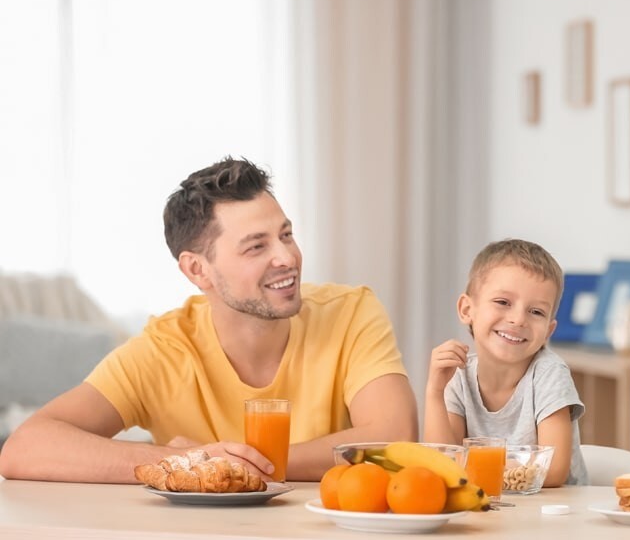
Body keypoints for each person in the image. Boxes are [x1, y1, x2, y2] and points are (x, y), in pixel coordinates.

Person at [0, 157, 417, 483]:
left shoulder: (351, 312)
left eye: (286, 235)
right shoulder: (164, 349)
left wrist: (235, 464)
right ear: (198, 271)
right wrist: (186, 460)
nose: (287, 257)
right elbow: (25, 448)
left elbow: (393, 436)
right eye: (256, 247)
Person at [423, 238, 587, 486]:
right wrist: (435, 392)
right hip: (488, 513)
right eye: (503, 302)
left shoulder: (549, 373)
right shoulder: (459, 375)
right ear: (467, 310)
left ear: (548, 331)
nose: (518, 319)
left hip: (554, 516)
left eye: (536, 312)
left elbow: (552, 471)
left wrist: (469, 467)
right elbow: (441, 464)